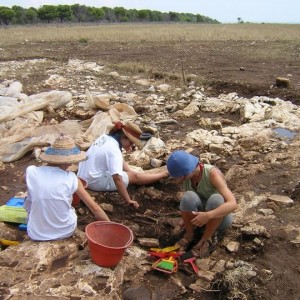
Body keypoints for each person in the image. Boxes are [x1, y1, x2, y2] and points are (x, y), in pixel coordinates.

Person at [24, 134, 110, 241]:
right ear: (68, 161)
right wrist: (110, 226)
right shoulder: (71, 178)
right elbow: (95, 208)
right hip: (65, 231)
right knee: (71, 210)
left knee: (30, 201)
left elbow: (28, 186)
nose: (70, 164)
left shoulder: (32, 172)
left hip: (36, 234)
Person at [77, 121, 169, 209]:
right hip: (93, 181)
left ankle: (131, 173)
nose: (131, 146)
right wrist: (128, 200)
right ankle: (164, 174)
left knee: (129, 173)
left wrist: (128, 171)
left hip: (82, 174)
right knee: (134, 177)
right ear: (124, 137)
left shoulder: (105, 137)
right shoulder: (114, 150)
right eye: (131, 142)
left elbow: (118, 157)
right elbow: (117, 179)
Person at [166, 150, 238, 258]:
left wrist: (208, 215)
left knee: (216, 198)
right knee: (188, 196)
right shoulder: (188, 177)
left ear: (188, 169)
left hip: (219, 218)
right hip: (200, 218)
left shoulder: (212, 174)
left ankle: (206, 239)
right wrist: (185, 219)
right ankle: (189, 235)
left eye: (181, 176)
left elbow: (233, 204)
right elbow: (191, 201)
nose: (179, 179)